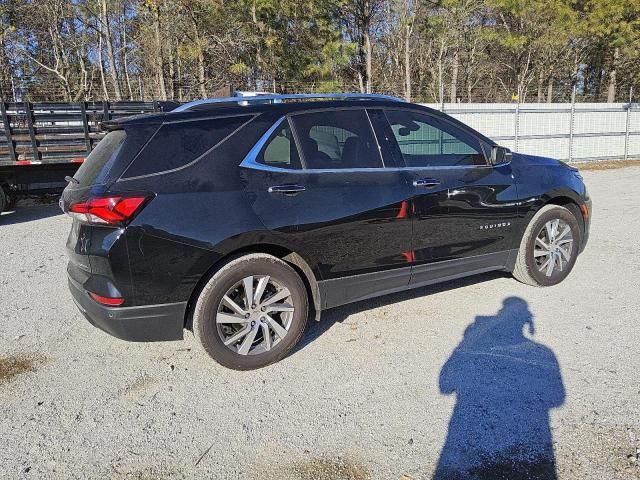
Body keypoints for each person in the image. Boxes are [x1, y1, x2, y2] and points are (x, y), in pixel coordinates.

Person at [434, 297, 565, 479]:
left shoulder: (543, 352)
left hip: (468, 438)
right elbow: (557, 398)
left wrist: (466, 341)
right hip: (527, 440)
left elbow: (445, 385)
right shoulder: (543, 352)